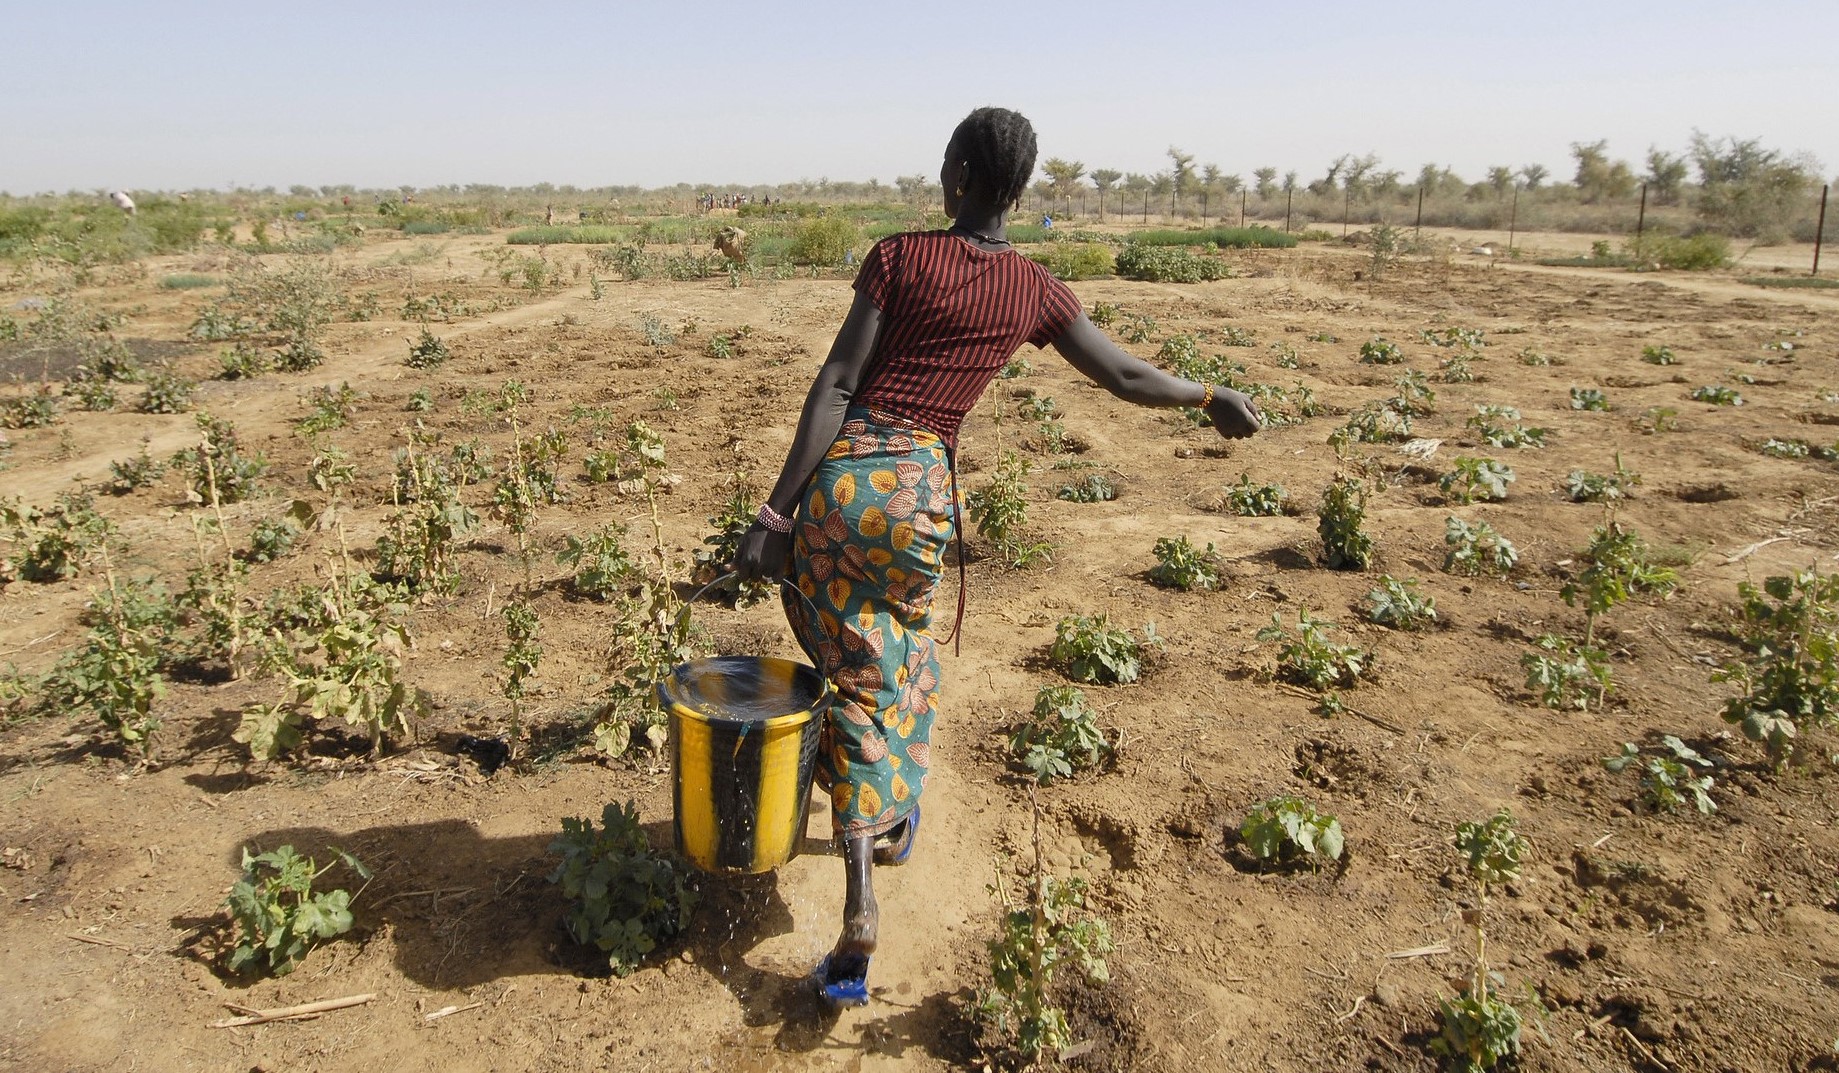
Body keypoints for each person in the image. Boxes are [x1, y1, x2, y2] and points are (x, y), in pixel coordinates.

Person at [732, 106, 1258, 1009]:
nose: (941, 173)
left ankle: (859, 891)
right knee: (898, 660)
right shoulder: (1034, 290)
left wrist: (775, 515)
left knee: (848, 673)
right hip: (918, 499)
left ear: (967, 173)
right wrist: (1208, 393)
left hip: (844, 486)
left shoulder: (899, 257)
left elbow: (838, 383)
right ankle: (892, 820)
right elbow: (1126, 376)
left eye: (947, 161)